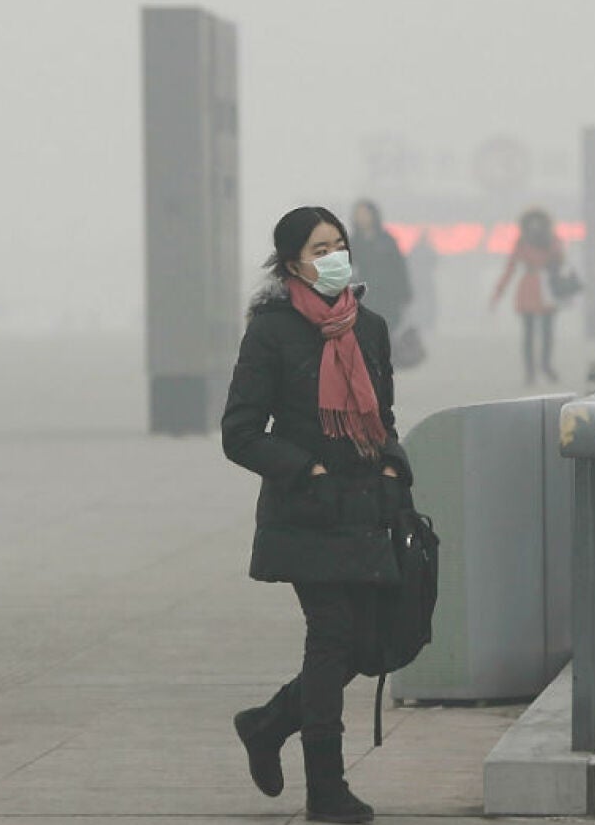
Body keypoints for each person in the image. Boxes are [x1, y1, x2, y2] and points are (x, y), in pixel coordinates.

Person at [222, 206, 412, 825]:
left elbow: (383, 419)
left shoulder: (373, 328)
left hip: (365, 512)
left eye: (339, 246)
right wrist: (309, 471)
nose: (333, 258)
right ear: (290, 264)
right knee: (331, 637)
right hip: (308, 512)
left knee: (365, 643)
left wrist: (391, 465)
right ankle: (327, 791)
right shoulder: (271, 332)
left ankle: (268, 722)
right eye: (318, 249)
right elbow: (240, 433)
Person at [490, 208, 567, 385]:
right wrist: (498, 292)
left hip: (547, 289)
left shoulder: (552, 240)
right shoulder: (522, 242)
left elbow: (561, 260)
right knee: (529, 334)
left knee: (547, 333)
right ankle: (530, 371)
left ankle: (545, 365)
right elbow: (510, 268)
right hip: (529, 289)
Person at [348, 199, 412, 329]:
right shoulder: (352, 243)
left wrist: (404, 293)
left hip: (387, 297)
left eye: (365, 214)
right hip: (364, 298)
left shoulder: (387, 241)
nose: (362, 218)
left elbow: (399, 268)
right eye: (358, 214)